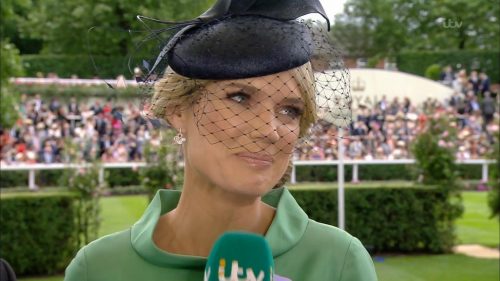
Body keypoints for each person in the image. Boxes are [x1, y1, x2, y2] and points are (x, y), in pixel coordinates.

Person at [65, 0, 377, 280]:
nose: (269, 130)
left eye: (289, 110)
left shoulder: (338, 263)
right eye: (240, 97)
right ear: (177, 108)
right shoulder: (98, 268)